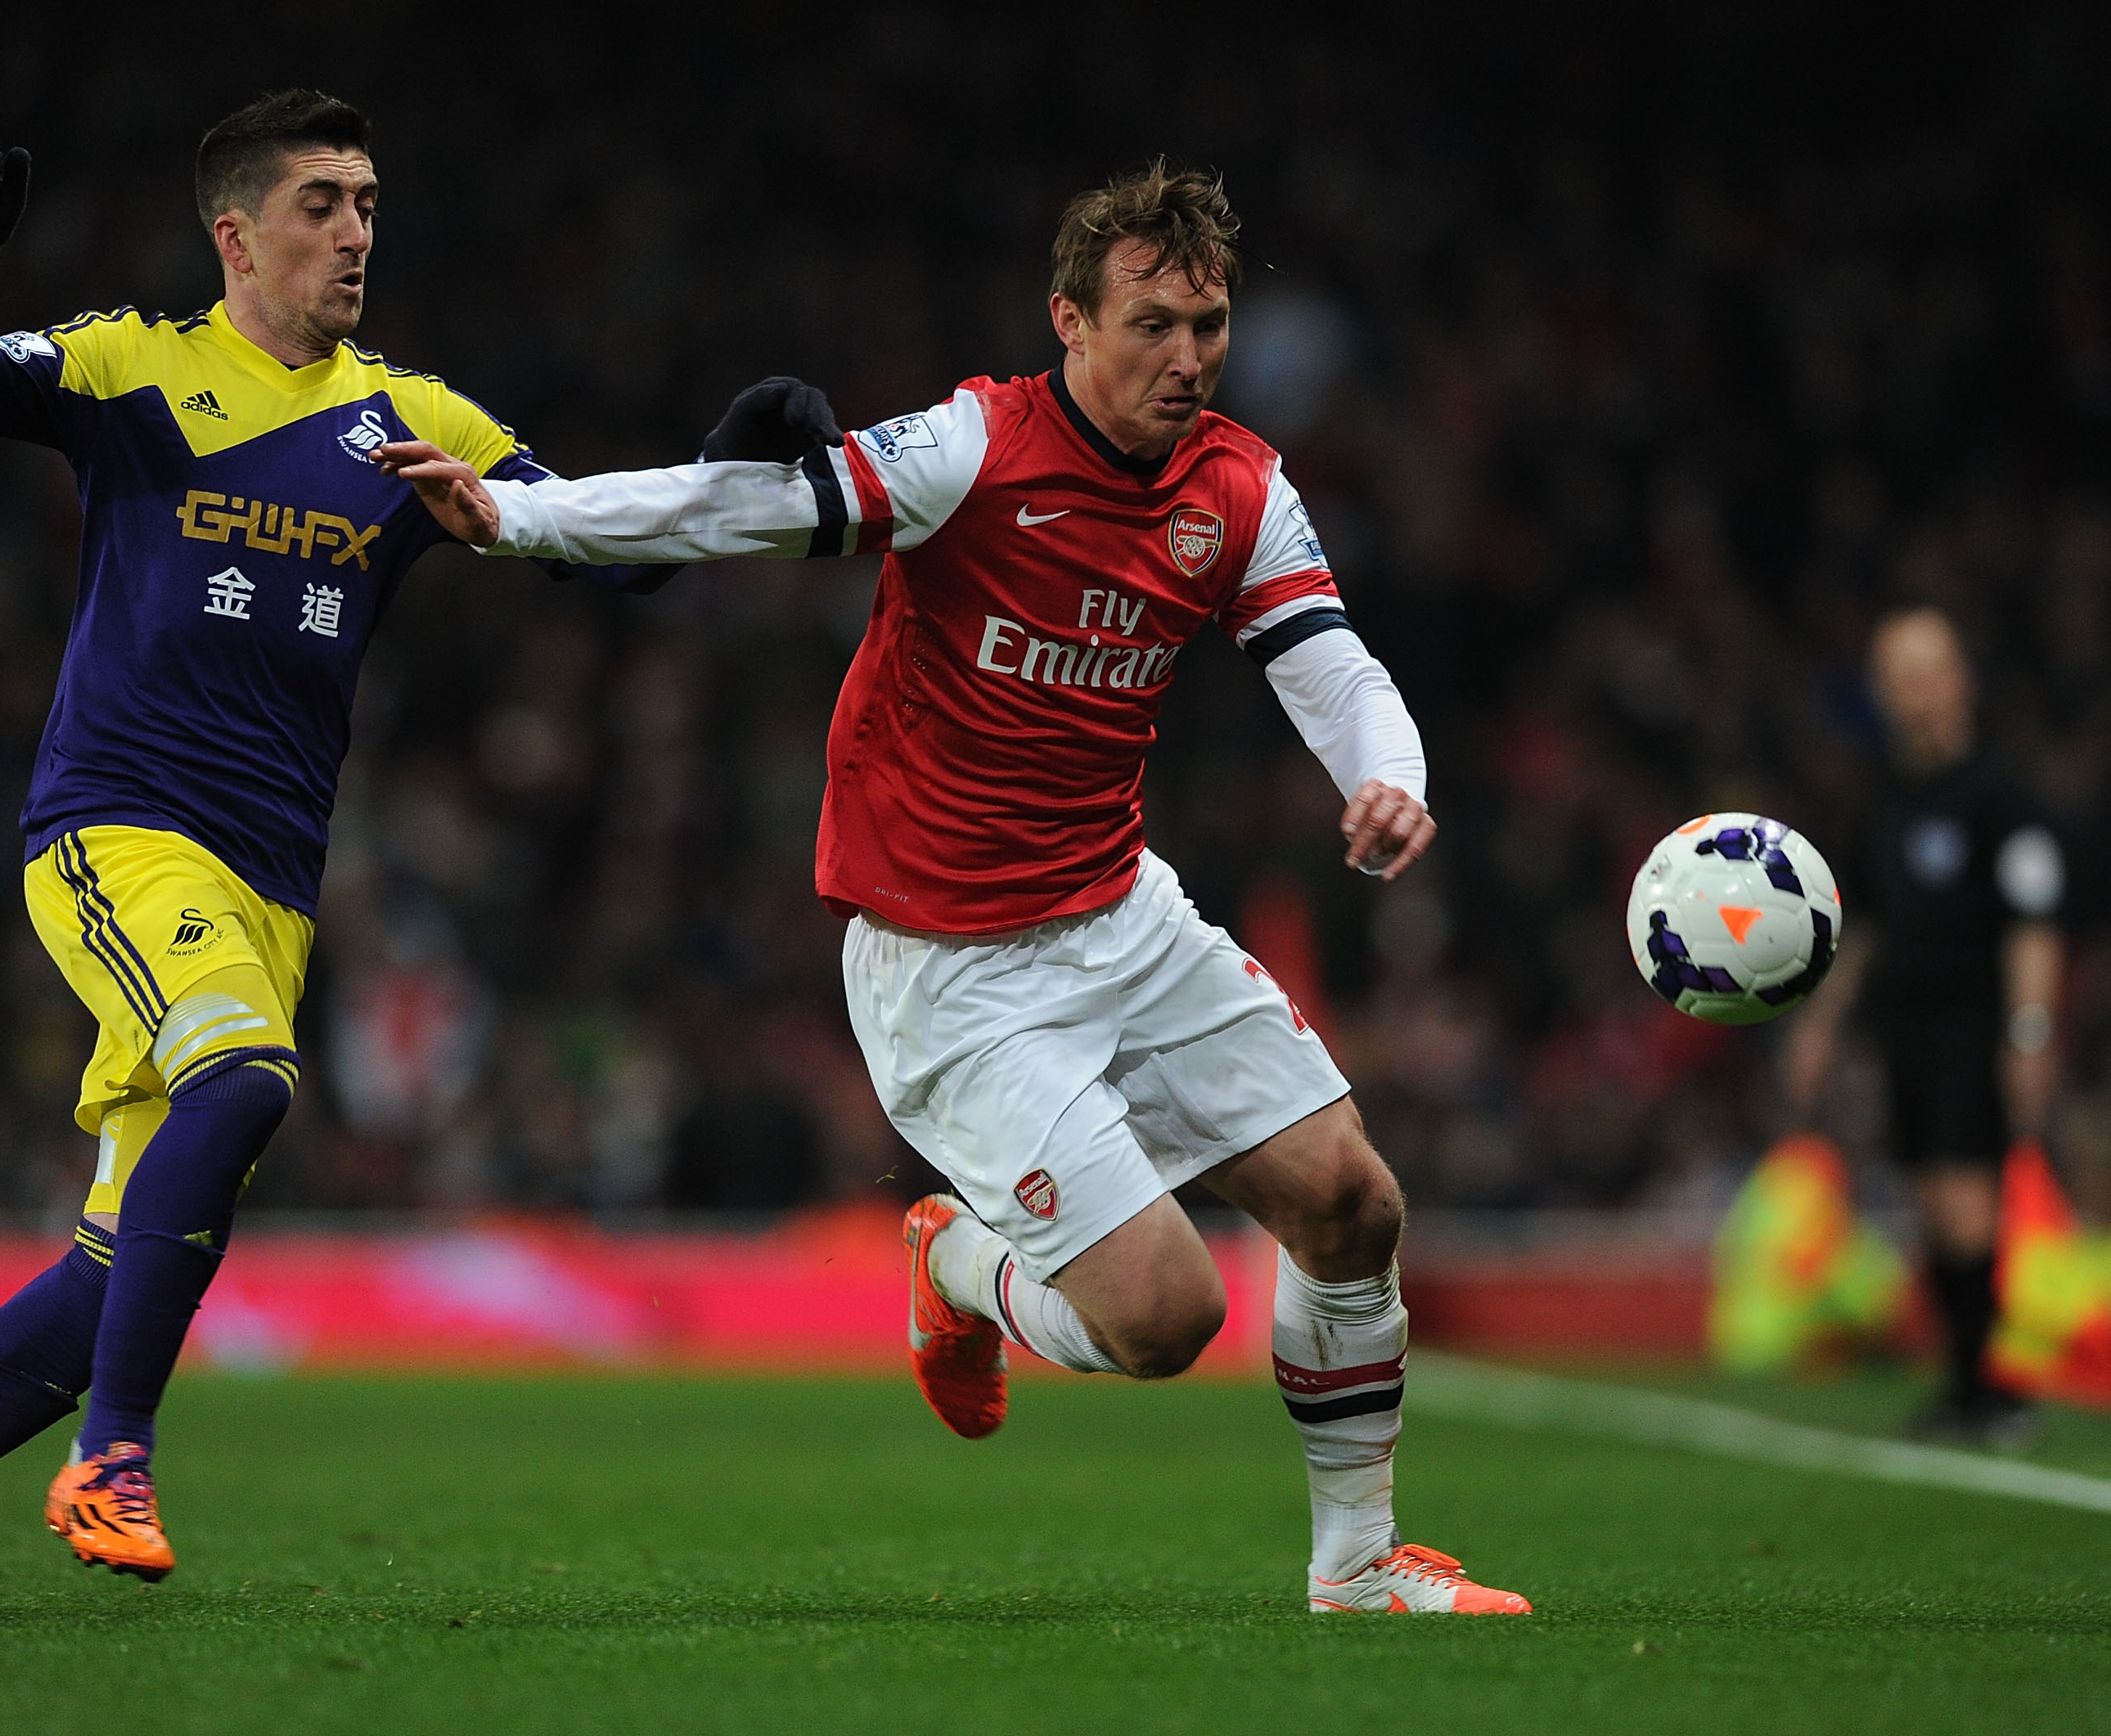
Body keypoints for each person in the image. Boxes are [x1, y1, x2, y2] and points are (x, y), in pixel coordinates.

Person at [385, 161, 1529, 1615]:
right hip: (954, 972)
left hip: (1123, 916)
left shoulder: (1237, 483)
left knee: (1354, 1204)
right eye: (1155, 325)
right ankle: (958, 1266)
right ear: (1070, 317)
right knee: (1170, 1319)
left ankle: (1359, 1566)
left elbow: (1333, 663)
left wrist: (1390, 775)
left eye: (1211, 326)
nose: (1188, 358)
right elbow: (746, 508)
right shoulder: (972, 449)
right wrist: (521, 520)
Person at [0, 92, 831, 1616]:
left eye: (367, 203)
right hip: (118, 829)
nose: (356, 232)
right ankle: (113, 1453)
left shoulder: (414, 422)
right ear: (237, 233)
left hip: (270, 883)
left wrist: (727, 466)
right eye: (324, 203)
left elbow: (618, 556)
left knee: (109, 1275)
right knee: (249, 1075)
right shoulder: (134, 366)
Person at [1784, 607, 2066, 1445]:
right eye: (1898, 675)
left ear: (1960, 681)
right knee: (1929, 1201)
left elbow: (2034, 922)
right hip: (1901, 1024)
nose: (1915, 691)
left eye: (1929, 671)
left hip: (1975, 1019)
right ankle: (1964, 1381)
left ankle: (1987, 1386)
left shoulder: (1998, 797)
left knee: (1968, 1196)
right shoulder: (1884, 800)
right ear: (1880, 690)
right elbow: (1861, 923)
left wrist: (2030, 1030)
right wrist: (1818, 1026)